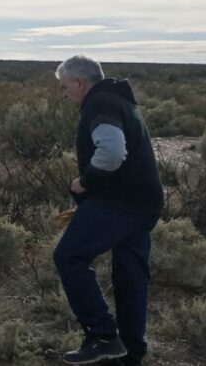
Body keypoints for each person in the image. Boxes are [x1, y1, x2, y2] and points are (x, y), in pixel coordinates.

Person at [53, 55, 163, 365]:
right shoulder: (119, 100)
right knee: (130, 275)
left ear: (80, 82)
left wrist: (84, 183)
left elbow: (113, 151)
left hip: (122, 203)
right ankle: (130, 351)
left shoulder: (101, 104)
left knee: (69, 256)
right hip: (142, 203)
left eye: (64, 87)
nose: (64, 94)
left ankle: (102, 335)